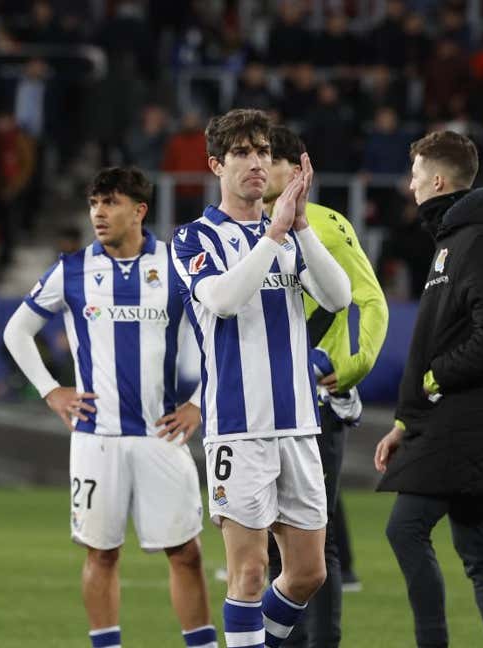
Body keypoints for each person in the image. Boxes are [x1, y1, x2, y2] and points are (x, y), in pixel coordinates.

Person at [3, 167, 218, 648]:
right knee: (102, 555)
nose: (99, 213)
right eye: (94, 203)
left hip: (161, 434)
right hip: (96, 439)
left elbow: (219, 335)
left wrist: (199, 403)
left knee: (186, 552)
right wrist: (50, 390)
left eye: (111, 203)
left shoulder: (177, 266)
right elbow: (16, 331)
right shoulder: (73, 269)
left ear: (139, 211)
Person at [170, 108, 351, 648]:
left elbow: (338, 297)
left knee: (308, 573)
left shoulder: (290, 236)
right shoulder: (193, 238)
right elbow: (223, 300)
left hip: (298, 422)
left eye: (265, 152)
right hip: (238, 427)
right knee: (248, 575)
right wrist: (272, 235)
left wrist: (298, 229)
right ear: (215, 164)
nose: (257, 163)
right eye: (243, 153)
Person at [372, 130, 483, 648]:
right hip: (451, 421)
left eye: (414, 177)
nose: (410, 188)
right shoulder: (457, 238)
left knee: (405, 529)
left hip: (464, 419)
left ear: (436, 180)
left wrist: (438, 377)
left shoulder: (476, 241)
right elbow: (453, 333)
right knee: (480, 550)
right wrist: (406, 423)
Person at [261, 125, 389, 648]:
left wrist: (353, 367)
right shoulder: (250, 229)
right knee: (273, 543)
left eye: (266, 160)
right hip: (265, 406)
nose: (255, 169)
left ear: (296, 169)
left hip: (316, 406)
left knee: (318, 540)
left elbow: (371, 300)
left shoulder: (327, 226)